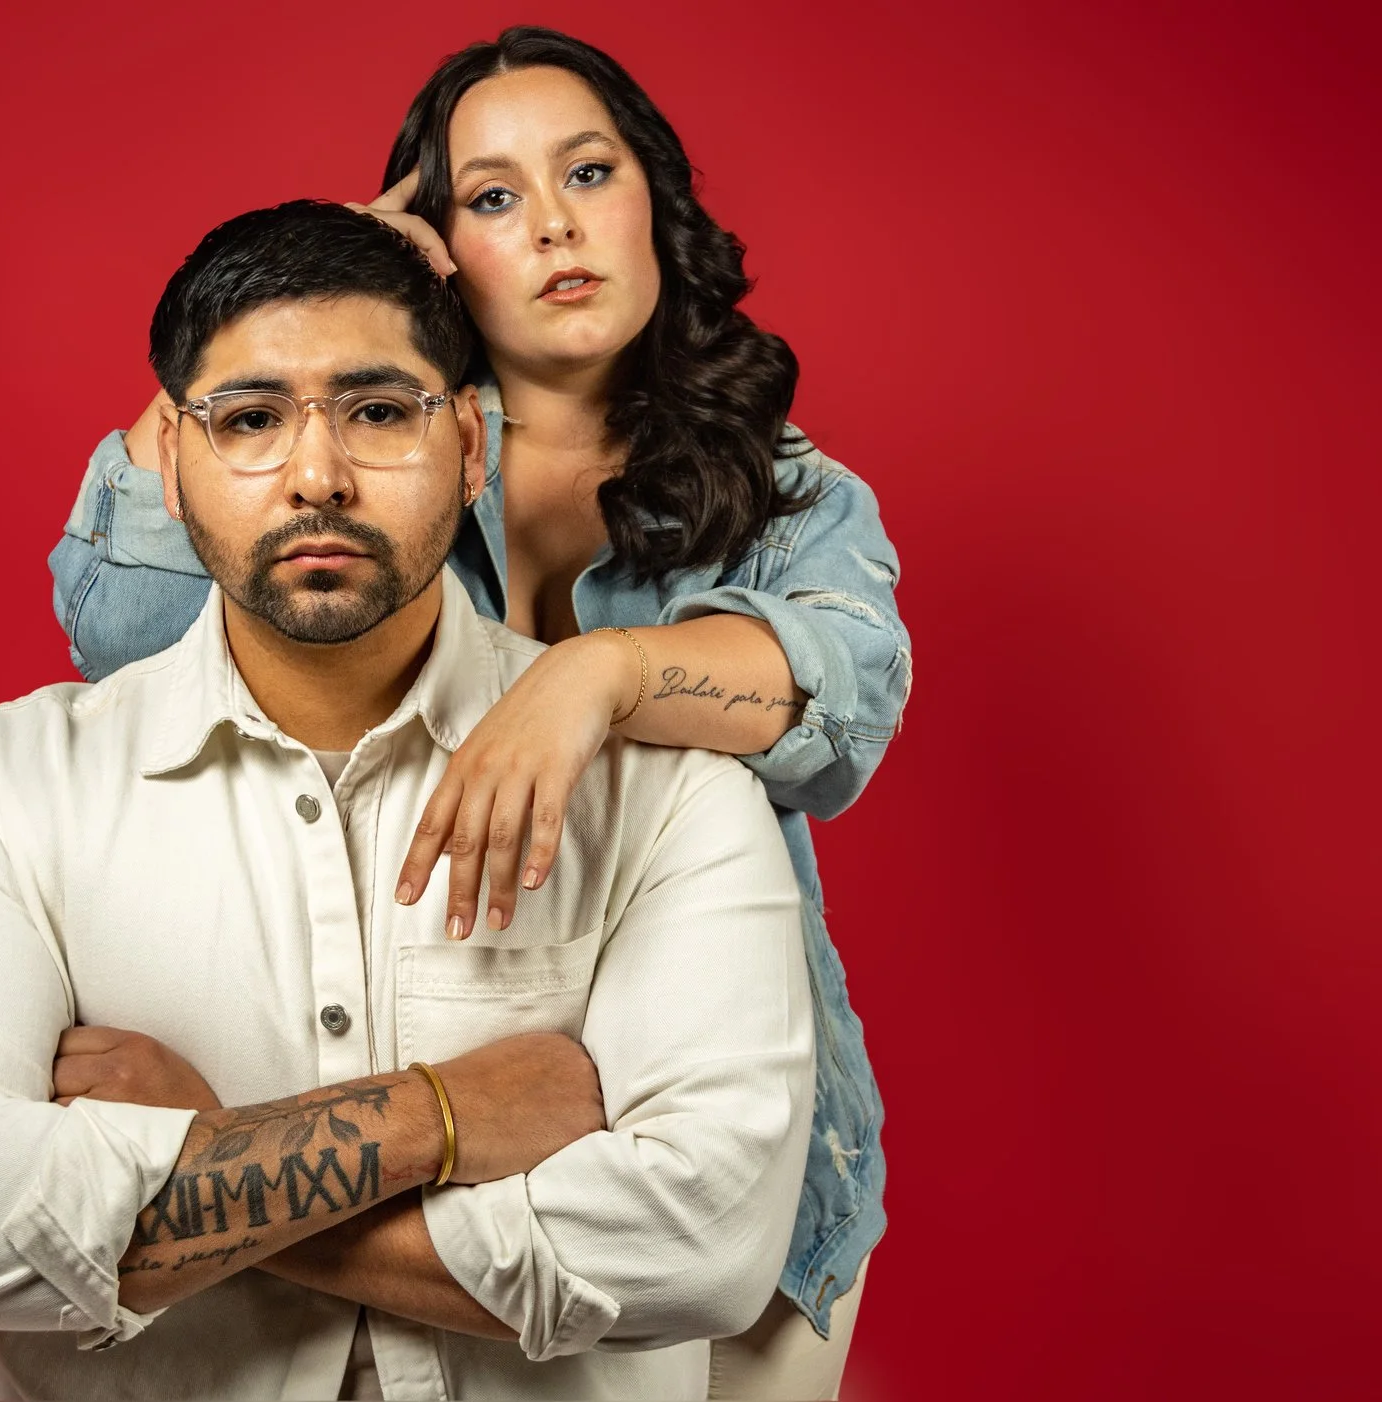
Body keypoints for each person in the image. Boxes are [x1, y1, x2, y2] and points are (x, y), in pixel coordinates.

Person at [0, 200, 816, 1400]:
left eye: (380, 411)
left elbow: (704, 1247)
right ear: (175, 462)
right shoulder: (9, 794)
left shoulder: (664, 794)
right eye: (248, 419)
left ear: (471, 440)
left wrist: (200, 1157)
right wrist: (438, 1118)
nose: (316, 474)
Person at [51, 29, 907, 1396]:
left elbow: (843, 705)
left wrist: (599, 674)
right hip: (406, 1113)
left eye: (589, 170)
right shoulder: (363, 462)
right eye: (492, 196)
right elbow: (128, 627)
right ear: (436, 239)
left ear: (655, 201)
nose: (556, 221)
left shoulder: (785, 487)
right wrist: (322, 276)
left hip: (710, 1133)